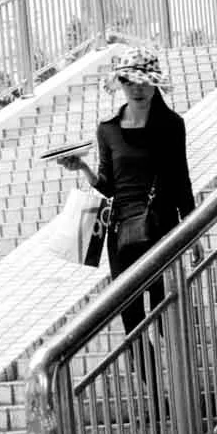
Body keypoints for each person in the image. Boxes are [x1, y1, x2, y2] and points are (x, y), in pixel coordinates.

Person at [56, 47, 194, 338]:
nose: (137, 89)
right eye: (128, 82)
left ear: (155, 85)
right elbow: (107, 185)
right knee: (131, 317)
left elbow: (181, 182)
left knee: (165, 314)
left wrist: (193, 233)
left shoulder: (171, 125)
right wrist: (83, 167)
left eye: (143, 82)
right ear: (119, 84)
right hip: (121, 232)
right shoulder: (108, 130)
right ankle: (149, 370)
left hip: (163, 228)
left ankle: (177, 365)